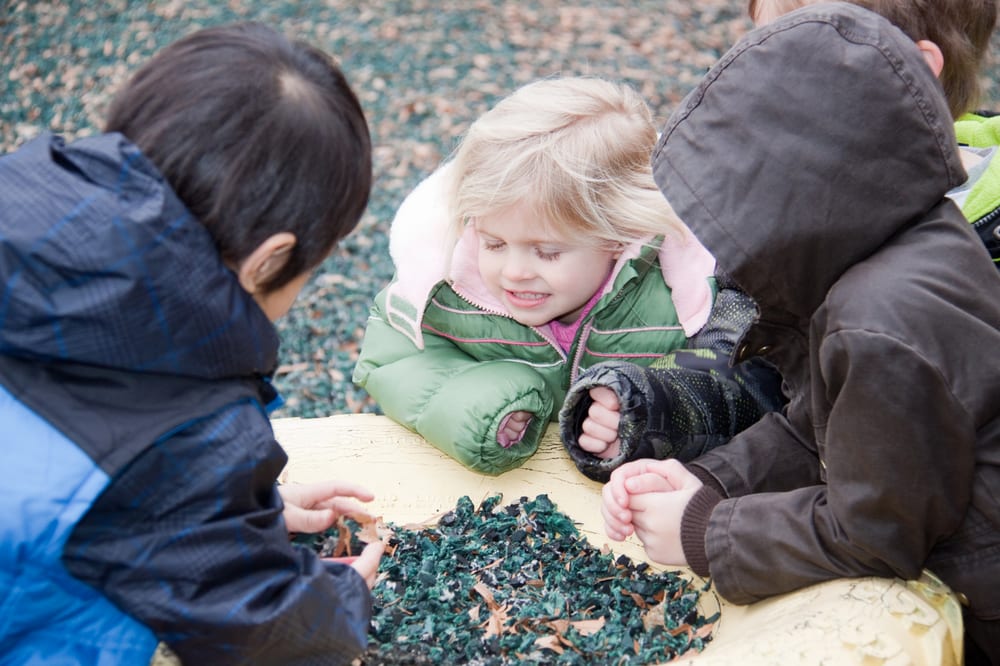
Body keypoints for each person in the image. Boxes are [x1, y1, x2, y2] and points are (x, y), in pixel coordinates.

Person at [599, 4, 1000, 662]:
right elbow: (816, 425)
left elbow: (873, 537)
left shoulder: (882, 322)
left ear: (802, 195)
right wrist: (711, 482)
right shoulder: (889, 246)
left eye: (738, 208)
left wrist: (706, 533)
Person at [0, 22, 384, 665]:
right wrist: (341, 604)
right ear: (271, 261)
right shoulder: (188, 438)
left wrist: (246, 512)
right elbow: (259, 629)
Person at [352, 76, 784, 477]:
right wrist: (486, 403)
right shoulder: (446, 286)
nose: (515, 272)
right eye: (494, 243)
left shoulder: (686, 292)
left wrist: (644, 411)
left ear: (619, 237)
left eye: (547, 252)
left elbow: (744, 382)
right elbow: (392, 358)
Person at [749, 0, 1000, 270]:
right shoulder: (800, 182)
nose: (753, 77)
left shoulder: (970, 264)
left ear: (906, 72)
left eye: (783, 54)